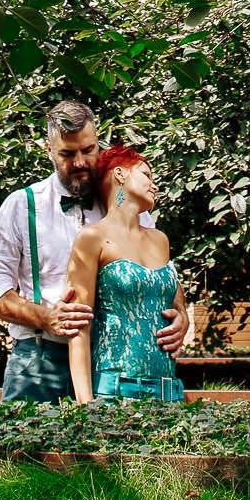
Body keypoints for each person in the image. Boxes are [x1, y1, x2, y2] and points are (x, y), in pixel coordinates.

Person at [0, 101, 186, 402]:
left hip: (111, 365)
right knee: (28, 449)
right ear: (49, 150)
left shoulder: (132, 208)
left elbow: (160, 275)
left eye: (87, 150)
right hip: (40, 361)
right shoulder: (22, 205)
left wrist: (180, 314)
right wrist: (46, 317)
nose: (80, 162)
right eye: (67, 154)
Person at [64, 145, 188, 404]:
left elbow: (173, 298)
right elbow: (79, 326)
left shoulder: (160, 240)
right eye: (146, 174)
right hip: (114, 392)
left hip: (168, 391)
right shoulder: (92, 238)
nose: (154, 186)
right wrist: (85, 406)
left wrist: (182, 316)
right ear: (120, 174)